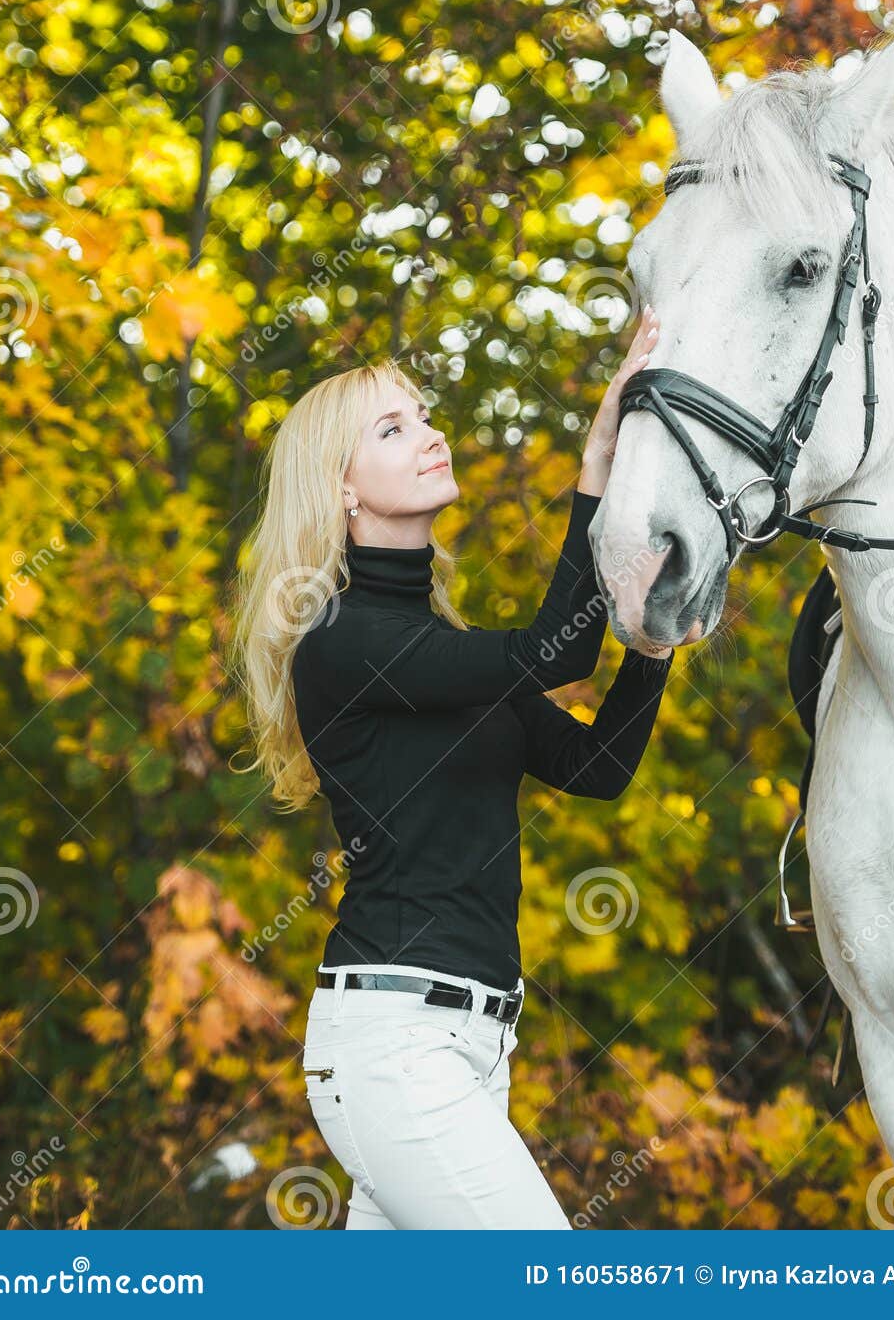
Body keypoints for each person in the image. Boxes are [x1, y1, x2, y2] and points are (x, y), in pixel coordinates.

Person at [230, 309, 674, 1229]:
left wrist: (656, 641)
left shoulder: (444, 651)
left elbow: (594, 766)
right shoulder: (343, 643)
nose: (428, 433)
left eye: (421, 416)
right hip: (395, 1048)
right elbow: (556, 652)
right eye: (389, 430)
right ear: (341, 490)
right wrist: (595, 469)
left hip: (473, 1042)